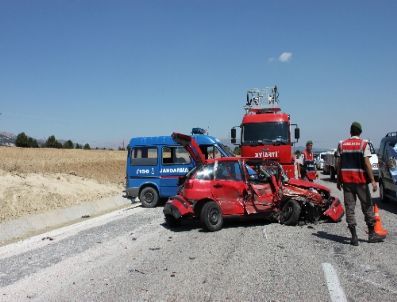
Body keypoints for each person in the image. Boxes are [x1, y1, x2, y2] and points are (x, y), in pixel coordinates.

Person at [336, 122, 386, 246]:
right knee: (367, 206)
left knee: (350, 208)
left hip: (347, 182)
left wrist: (338, 180)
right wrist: (373, 181)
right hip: (360, 181)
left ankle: (354, 237)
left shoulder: (342, 144)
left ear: (350, 131)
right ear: (360, 132)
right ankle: (371, 234)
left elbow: (339, 164)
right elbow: (367, 163)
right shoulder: (364, 144)